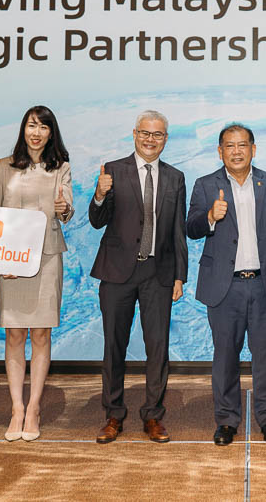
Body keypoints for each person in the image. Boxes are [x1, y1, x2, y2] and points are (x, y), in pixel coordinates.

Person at [187, 124, 266, 446]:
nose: (236, 151)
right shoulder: (205, 185)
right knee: (225, 357)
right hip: (225, 287)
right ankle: (227, 420)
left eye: (242, 145)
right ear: (220, 151)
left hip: (263, 284)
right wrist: (210, 216)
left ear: (253, 149)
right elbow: (191, 228)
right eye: (229, 146)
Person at [89, 110, 188, 444]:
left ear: (165, 139)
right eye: (145, 133)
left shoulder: (175, 177)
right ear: (134, 134)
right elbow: (97, 220)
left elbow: (178, 232)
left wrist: (180, 276)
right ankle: (113, 415)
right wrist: (100, 194)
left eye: (157, 134)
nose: (150, 139)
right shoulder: (113, 170)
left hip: (158, 273)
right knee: (113, 347)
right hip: (117, 271)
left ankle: (153, 416)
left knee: (158, 348)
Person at [0, 105, 73, 442]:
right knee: (14, 335)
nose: (36, 133)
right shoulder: (3, 167)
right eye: (31, 126)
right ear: (23, 129)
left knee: (40, 334)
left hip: (46, 257)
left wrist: (64, 208)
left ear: (51, 133)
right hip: (11, 259)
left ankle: (34, 407)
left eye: (43, 127)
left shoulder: (61, 167)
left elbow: (66, 211)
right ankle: (16, 409)